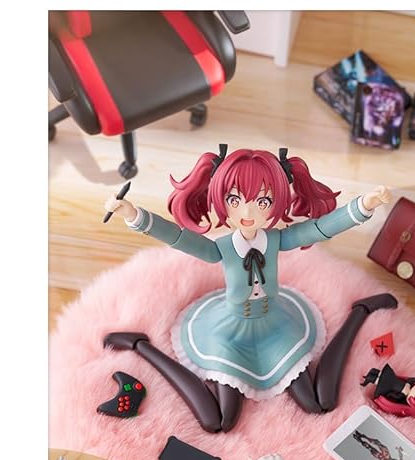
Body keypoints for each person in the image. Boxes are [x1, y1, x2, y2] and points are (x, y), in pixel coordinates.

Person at [104, 146, 397, 432]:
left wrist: (363, 205)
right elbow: (179, 237)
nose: (248, 211)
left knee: (320, 403)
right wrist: (135, 215)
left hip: (275, 327)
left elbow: (319, 228)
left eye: (263, 201)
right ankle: (142, 346)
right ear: (219, 198)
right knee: (218, 422)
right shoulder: (222, 247)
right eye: (234, 200)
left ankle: (359, 312)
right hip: (229, 333)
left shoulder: (276, 239)